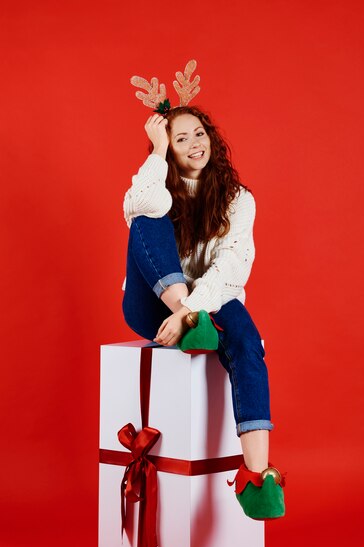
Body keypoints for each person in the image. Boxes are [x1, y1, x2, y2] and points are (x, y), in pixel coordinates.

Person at [121, 105, 285, 520]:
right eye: (180, 140)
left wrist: (193, 310)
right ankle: (191, 319)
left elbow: (231, 266)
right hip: (154, 305)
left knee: (248, 342)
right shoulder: (160, 184)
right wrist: (156, 151)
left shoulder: (238, 199)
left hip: (209, 302)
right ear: (169, 151)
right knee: (147, 214)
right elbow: (137, 203)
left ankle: (257, 476)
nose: (194, 144)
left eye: (199, 134)